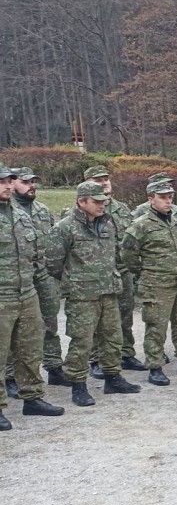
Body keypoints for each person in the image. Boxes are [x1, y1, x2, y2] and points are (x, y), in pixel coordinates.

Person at [45, 182, 142, 406]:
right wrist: (76, 279)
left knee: (113, 337)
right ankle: (78, 384)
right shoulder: (65, 227)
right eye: (97, 202)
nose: (102, 205)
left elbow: (115, 255)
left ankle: (113, 377)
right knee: (82, 341)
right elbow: (53, 263)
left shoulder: (107, 224)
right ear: (82, 202)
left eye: (103, 201)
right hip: (82, 295)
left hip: (108, 290)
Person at [120, 178, 177, 384]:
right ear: (151, 199)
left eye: (170, 197)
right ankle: (155, 366)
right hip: (156, 285)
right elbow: (127, 254)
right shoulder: (141, 225)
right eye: (162, 197)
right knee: (156, 327)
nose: (168, 201)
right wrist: (145, 272)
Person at [0, 166, 65, 428]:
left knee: (30, 348)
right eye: (2, 182)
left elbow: (36, 253)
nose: (7, 185)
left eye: (9, 181)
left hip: (26, 292)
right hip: (2, 296)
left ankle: (33, 397)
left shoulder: (19, 214)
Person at [84, 164, 145, 375]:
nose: (104, 183)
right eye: (97, 180)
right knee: (97, 318)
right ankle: (95, 359)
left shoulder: (122, 209)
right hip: (96, 275)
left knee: (125, 314)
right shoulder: (84, 210)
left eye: (105, 179)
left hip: (122, 271)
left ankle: (126, 353)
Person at [12, 167, 66, 386]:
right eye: (25, 182)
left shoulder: (42, 210)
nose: (31, 186)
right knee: (14, 327)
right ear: (12, 183)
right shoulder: (7, 210)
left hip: (42, 274)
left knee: (50, 319)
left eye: (33, 182)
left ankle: (54, 367)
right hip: (16, 278)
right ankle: (11, 376)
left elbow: (52, 242)